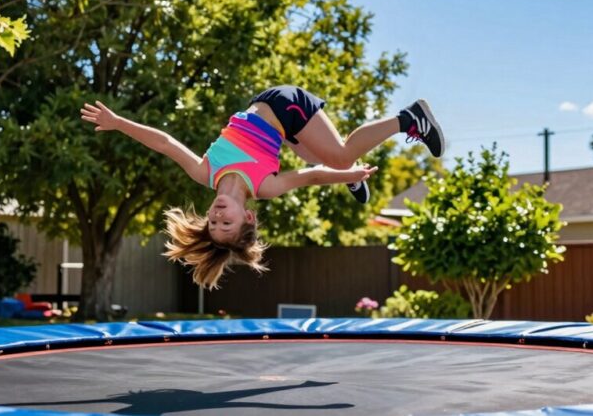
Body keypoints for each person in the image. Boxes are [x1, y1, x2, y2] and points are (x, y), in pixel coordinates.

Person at [80, 85, 444, 289]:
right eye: (228, 224)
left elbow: (164, 143)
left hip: (277, 105)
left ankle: (406, 120)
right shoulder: (265, 186)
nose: (219, 217)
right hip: (283, 117)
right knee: (330, 161)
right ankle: (401, 125)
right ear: (247, 215)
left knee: (338, 157)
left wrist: (118, 122)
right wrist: (345, 177)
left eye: (214, 223)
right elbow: (310, 177)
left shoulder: (204, 171)